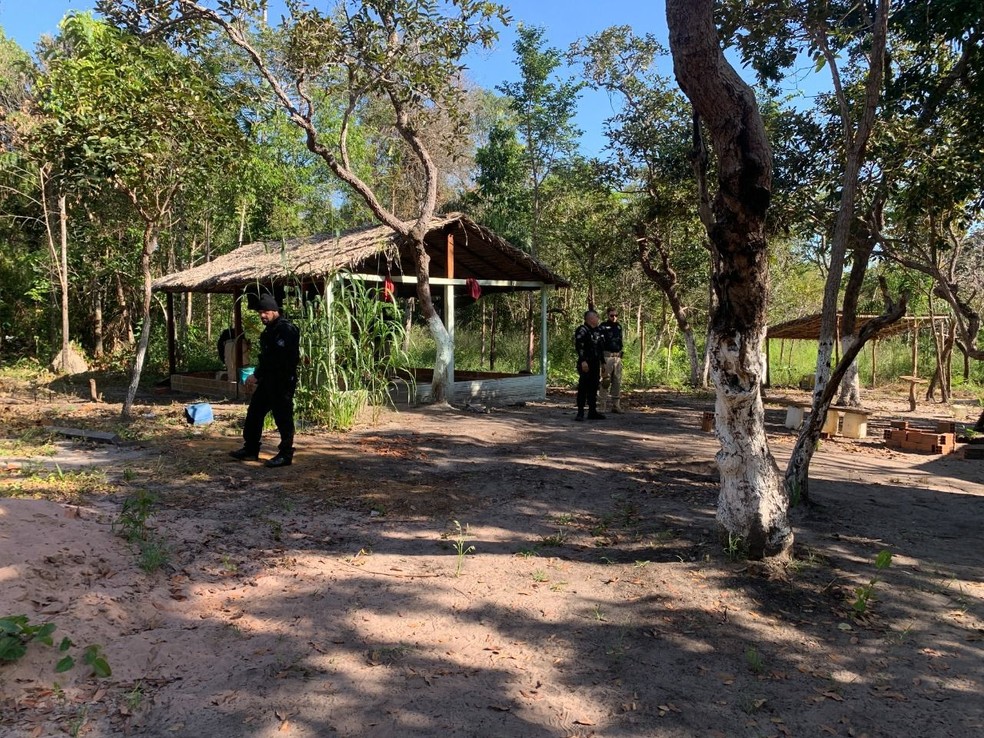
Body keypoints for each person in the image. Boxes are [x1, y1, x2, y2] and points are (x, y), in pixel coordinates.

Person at [230, 293, 301, 468]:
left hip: (282, 381)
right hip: (268, 380)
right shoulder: (270, 329)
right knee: (254, 413)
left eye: (266, 311)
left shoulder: (286, 329)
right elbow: (266, 357)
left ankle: (285, 454)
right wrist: (260, 375)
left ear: (275, 311)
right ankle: (251, 449)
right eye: (260, 312)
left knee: (283, 417)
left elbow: (277, 358)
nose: (262, 315)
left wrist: (257, 374)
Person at [573, 309, 605, 421]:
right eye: (596, 317)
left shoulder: (597, 331)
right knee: (583, 387)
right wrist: (583, 361)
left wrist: (603, 363)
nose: (598, 319)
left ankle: (592, 411)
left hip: (596, 363)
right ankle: (580, 412)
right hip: (586, 363)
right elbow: (579, 346)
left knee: (594, 387)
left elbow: (600, 348)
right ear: (591, 318)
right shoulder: (582, 330)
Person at [598, 306, 624, 413]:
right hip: (606, 357)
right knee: (605, 381)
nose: (614, 317)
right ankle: (602, 406)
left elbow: (620, 342)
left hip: (617, 358)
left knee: (617, 381)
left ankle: (616, 405)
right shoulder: (603, 327)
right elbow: (599, 344)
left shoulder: (618, 327)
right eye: (612, 315)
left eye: (616, 315)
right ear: (608, 315)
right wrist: (602, 361)